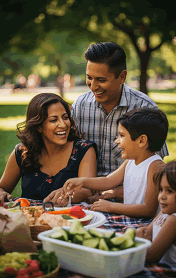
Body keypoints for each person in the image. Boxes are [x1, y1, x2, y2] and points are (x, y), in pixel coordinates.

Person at [71, 42, 169, 203]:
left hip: (129, 199)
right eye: (89, 78)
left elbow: (154, 174)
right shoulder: (80, 106)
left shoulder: (145, 108)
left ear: (122, 77)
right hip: (84, 197)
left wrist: (114, 193)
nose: (93, 86)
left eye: (101, 80)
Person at [62, 107, 168, 219]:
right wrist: (82, 181)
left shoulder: (155, 166)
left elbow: (148, 210)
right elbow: (108, 181)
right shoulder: (130, 162)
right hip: (130, 219)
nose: (117, 140)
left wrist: (111, 206)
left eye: (122, 136)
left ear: (141, 141)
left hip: (146, 226)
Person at [0, 93, 97, 205]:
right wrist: (0, 193)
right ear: (38, 126)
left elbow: (88, 191)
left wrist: (68, 194)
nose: (63, 125)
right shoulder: (22, 152)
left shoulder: (84, 150)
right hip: (29, 220)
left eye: (65, 117)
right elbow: (1, 189)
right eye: (54, 120)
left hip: (71, 220)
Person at [135, 161, 176, 268]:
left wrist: (137, 241)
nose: (162, 196)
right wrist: (141, 233)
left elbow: (151, 255)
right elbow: (147, 233)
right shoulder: (164, 213)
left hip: (166, 270)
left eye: (170, 191)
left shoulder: (173, 220)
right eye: (161, 190)